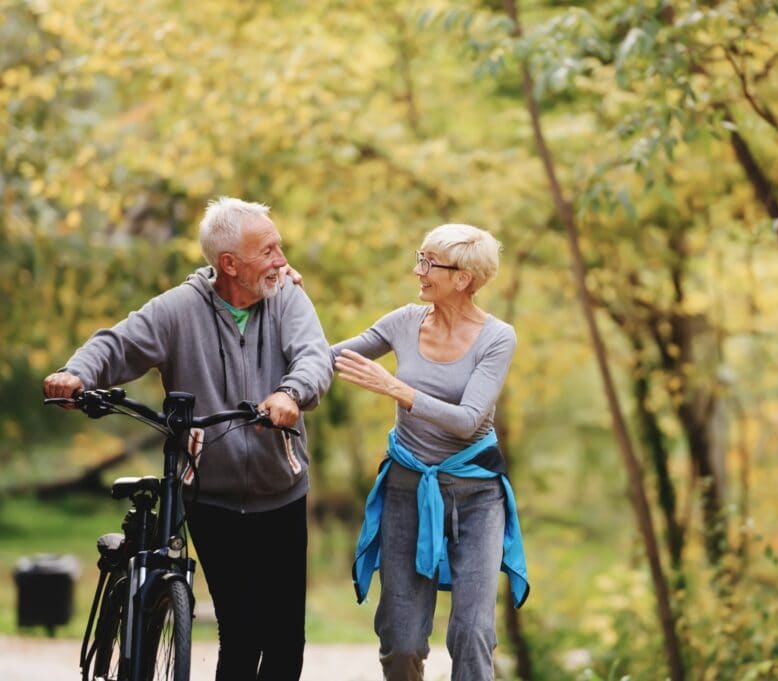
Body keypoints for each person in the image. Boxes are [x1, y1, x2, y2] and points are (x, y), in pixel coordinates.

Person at [42, 197, 333, 681]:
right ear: (229, 264)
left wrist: (290, 393)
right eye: (269, 249)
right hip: (211, 498)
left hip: (280, 491)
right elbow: (118, 344)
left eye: (279, 245)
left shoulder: (287, 296)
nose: (282, 259)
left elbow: (313, 358)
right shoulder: (179, 310)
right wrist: (76, 374)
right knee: (240, 633)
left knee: (285, 643)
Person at [332, 223, 529, 681]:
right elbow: (331, 358)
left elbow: (468, 419)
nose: (417, 271)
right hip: (407, 490)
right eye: (418, 258)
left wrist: (396, 388)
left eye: (428, 263)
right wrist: (285, 313)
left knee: (472, 634)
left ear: (463, 278)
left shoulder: (497, 338)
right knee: (400, 643)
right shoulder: (403, 321)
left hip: (477, 496)